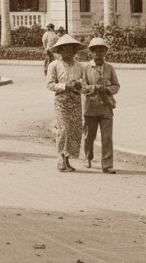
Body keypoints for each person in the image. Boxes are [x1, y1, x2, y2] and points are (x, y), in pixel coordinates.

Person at [45, 33, 85, 172]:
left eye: (71, 49)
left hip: (75, 100)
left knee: (74, 131)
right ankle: (60, 159)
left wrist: (79, 85)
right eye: (65, 49)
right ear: (60, 51)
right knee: (64, 130)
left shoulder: (80, 67)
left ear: (75, 50)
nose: (68, 51)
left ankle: (67, 159)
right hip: (61, 100)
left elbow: (83, 84)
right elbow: (49, 84)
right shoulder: (54, 65)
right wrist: (65, 86)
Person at [81, 37, 120, 174]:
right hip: (90, 106)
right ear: (91, 52)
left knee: (107, 137)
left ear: (105, 52)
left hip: (106, 107)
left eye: (102, 51)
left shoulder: (109, 68)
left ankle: (107, 164)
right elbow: (82, 87)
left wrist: (108, 89)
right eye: (96, 51)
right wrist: (94, 88)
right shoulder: (85, 68)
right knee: (89, 135)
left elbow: (116, 85)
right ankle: (87, 157)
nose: (99, 54)